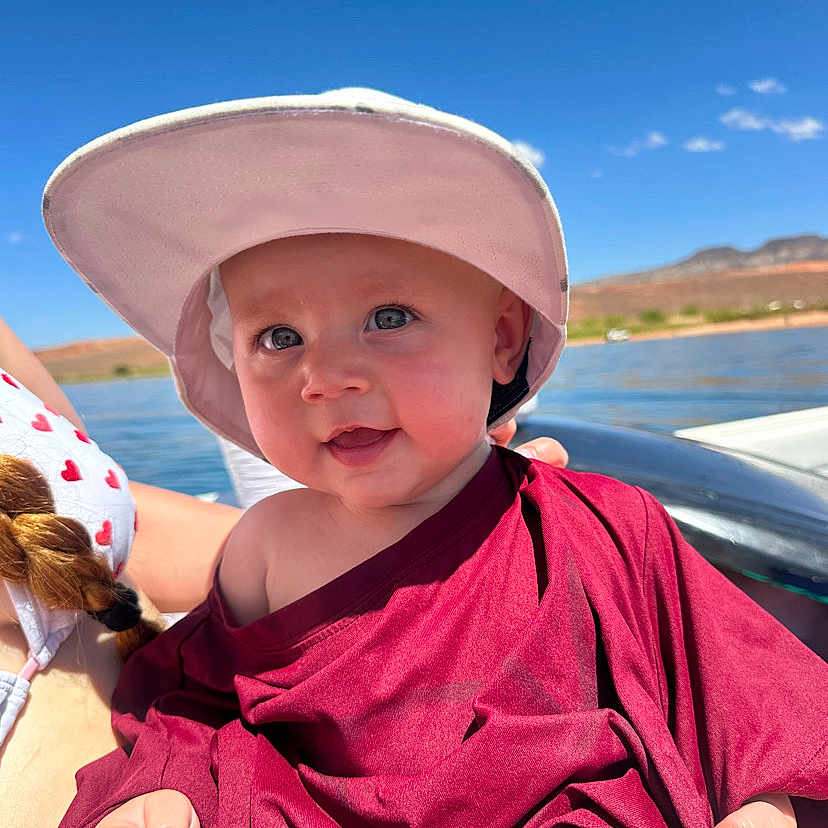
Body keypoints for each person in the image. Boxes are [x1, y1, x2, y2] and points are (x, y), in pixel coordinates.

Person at [41, 89, 824, 827]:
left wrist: (762, 805)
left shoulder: (606, 526)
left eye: (389, 316)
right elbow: (193, 697)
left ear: (501, 338)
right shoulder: (263, 550)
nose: (324, 377)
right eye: (278, 338)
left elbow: (748, 698)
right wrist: (165, 781)